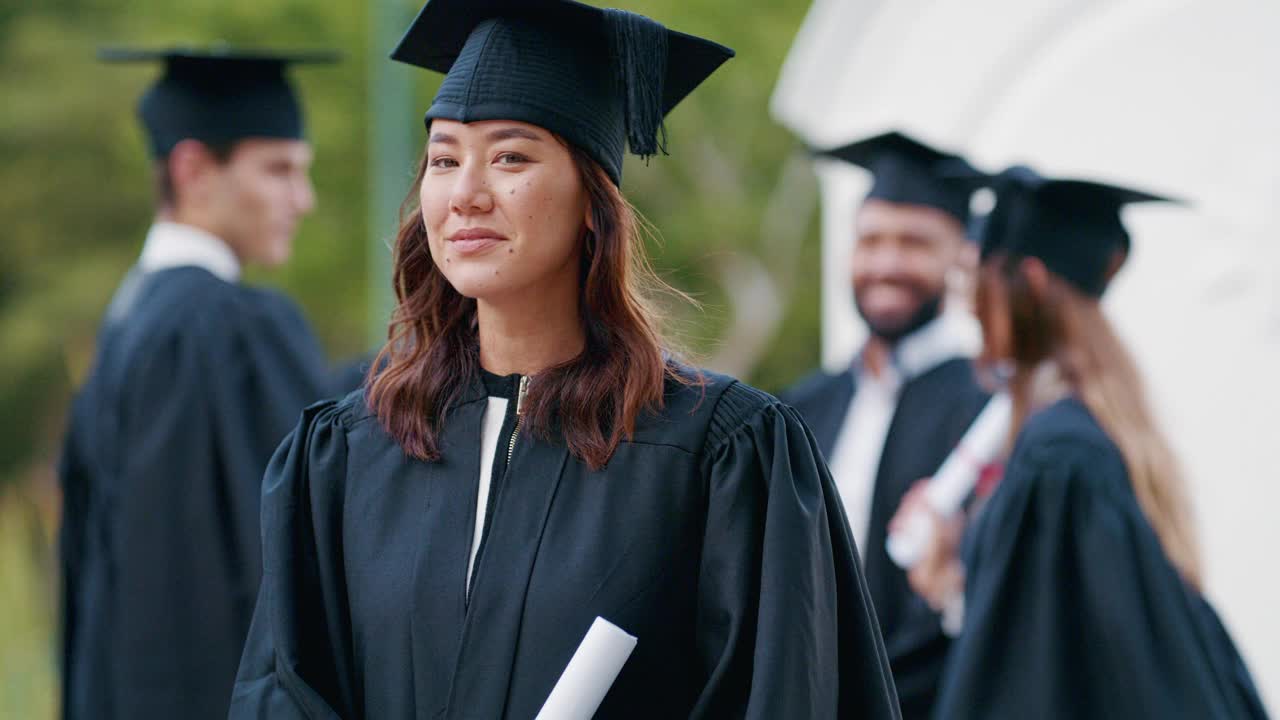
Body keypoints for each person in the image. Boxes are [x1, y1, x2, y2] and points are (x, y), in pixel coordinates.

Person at [229, 1, 903, 717]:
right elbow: (285, 691)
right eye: (444, 159)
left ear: (592, 198)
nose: (466, 195)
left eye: (511, 157)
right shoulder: (351, 452)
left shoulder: (719, 455)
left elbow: (787, 695)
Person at [908, 166, 1270, 719]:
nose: (971, 306)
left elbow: (1031, 665)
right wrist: (953, 578)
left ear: (1027, 279)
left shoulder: (1058, 454)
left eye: (977, 281)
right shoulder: (1090, 426)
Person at [58, 47, 342, 720]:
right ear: (193, 169)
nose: (302, 200)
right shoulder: (229, 328)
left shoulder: (127, 321)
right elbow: (308, 554)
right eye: (278, 170)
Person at [783, 130, 990, 719]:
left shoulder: (988, 409)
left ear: (961, 255)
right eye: (871, 240)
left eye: (915, 242)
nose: (887, 264)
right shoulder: (803, 406)